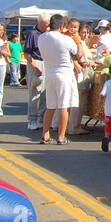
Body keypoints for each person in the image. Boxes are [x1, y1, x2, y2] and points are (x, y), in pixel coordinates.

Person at [38, 14, 78, 145]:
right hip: (64, 73)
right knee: (63, 106)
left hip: (49, 73)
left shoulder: (42, 37)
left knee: (50, 106)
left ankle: (45, 134)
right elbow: (77, 53)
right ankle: (61, 136)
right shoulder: (66, 39)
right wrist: (75, 38)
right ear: (62, 26)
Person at [24, 17, 49, 132]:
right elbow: (27, 53)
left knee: (45, 94)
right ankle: (32, 120)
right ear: (40, 23)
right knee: (35, 92)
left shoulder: (48, 34)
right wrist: (34, 66)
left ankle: (40, 118)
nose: (47, 27)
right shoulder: (32, 34)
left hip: (47, 62)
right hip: (36, 62)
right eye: (46, 24)